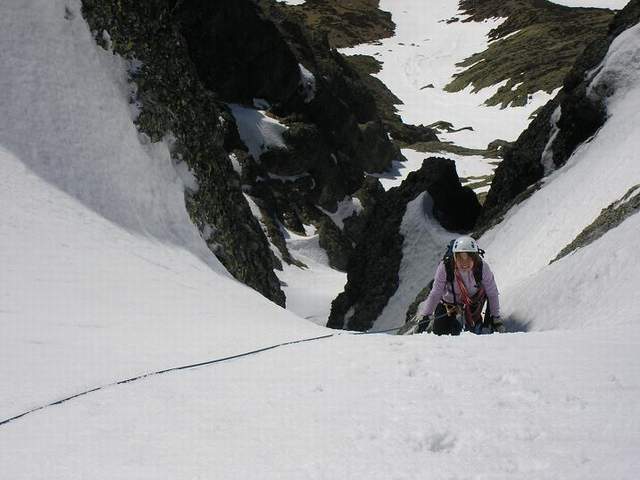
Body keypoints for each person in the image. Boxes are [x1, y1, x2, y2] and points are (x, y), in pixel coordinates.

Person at [416, 236, 503, 335]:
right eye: (460, 258)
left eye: (468, 258)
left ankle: (478, 324)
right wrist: (426, 316)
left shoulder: (482, 268)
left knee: (473, 334)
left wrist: (495, 317)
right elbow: (436, 292)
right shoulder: (445, 267)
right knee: (440, 334)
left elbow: (492, 293)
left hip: (472, 305)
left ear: (474, 258)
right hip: (448, 305)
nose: (464, 263)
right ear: (454, 257)